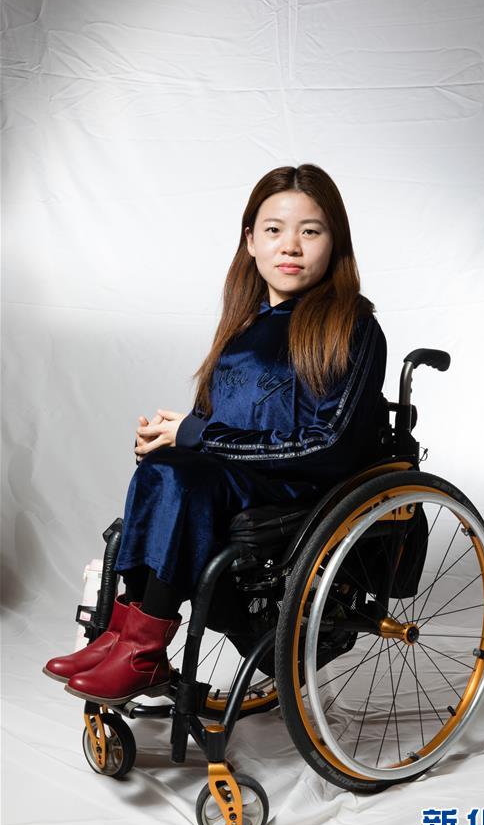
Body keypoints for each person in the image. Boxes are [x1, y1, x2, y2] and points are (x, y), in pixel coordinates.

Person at [42, 163, 387, 706]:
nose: (290, 245)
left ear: (334, 241)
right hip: (235, 480)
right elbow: (212, 421)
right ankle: (122, 636)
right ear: (250, 241)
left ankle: (142, 652)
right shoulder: (244, 325)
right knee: (163, 470)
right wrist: (168, 438)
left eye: (310, 230)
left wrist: (196, 437)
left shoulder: (354, 326)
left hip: (300, 488)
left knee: (184, 479)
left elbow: (330, 443)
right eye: (273, 230)